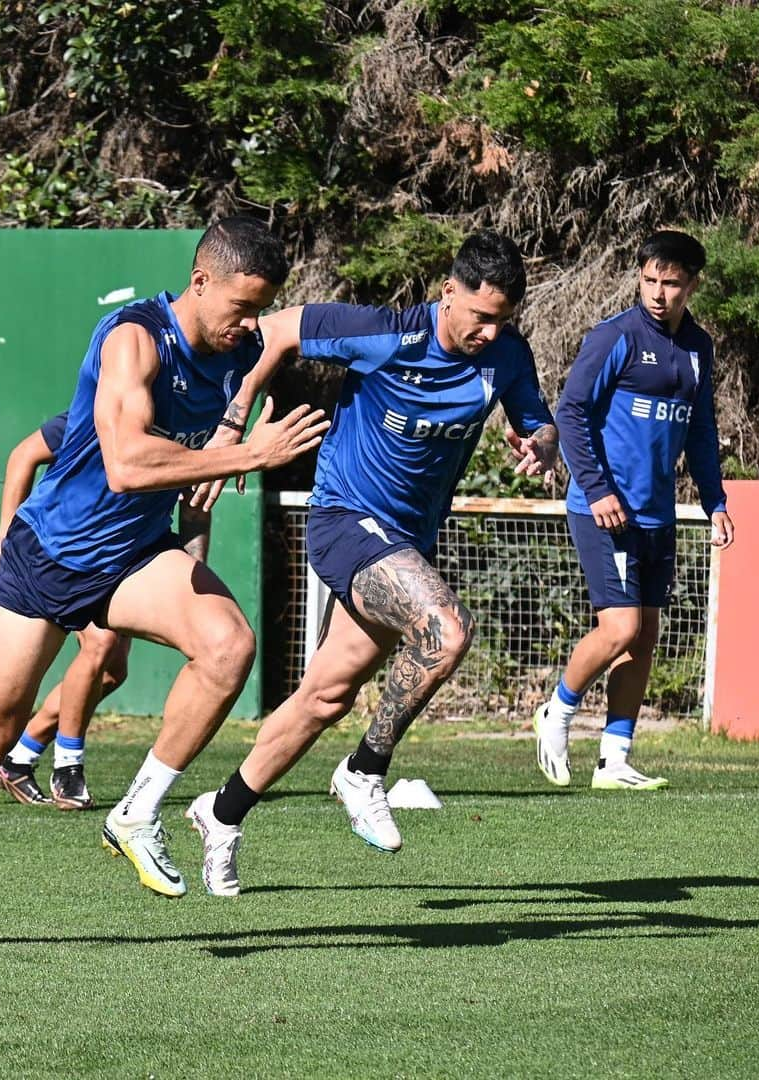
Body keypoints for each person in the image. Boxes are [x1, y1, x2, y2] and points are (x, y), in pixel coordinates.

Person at [0, 217, 329, 948]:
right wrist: (243, 458)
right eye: (241, 307)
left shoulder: (238, 351)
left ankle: (137, 812)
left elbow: (269, 361)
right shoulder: (132, 338)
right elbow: (127, 464)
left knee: (228, 647)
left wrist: (228, 440)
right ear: (199, 280)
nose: (250, 324)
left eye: (260, 308)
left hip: (133, 555)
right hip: (51, 556)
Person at [184, 229, 559, 897]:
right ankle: (363, 770)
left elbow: (539, 421)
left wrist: (543, 443)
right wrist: (232, 420)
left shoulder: (506, 356)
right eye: (480, 316)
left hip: (405, 544)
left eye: (503, 320)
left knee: (324, 697)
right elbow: (276, 330)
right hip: (344, 521)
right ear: (449, 293)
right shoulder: (384, 334)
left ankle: (222, 812)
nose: (489, 331)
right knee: (446, 630)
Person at [533, 230, 734, 791]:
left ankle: (614, 759)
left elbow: (700, 428)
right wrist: (597, 490)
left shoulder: (698, 348)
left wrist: (715, 500)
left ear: (692, 285)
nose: (658, 293)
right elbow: (571, 412)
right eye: (649, 280)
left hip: (656, 514)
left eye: (671, 283)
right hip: (603, 508)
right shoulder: (615, 335)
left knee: (644, 633)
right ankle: (559, 710)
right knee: (619, 628)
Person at [0, 413, 211, 810]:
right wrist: (4, 535)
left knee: (111, 672)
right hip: (66, 553)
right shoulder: (96, 415)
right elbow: (24, 454)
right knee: (99, 645)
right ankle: (68, 768)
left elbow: (196, 500)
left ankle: (20, 755)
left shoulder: (187, 425)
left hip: (129, 555)